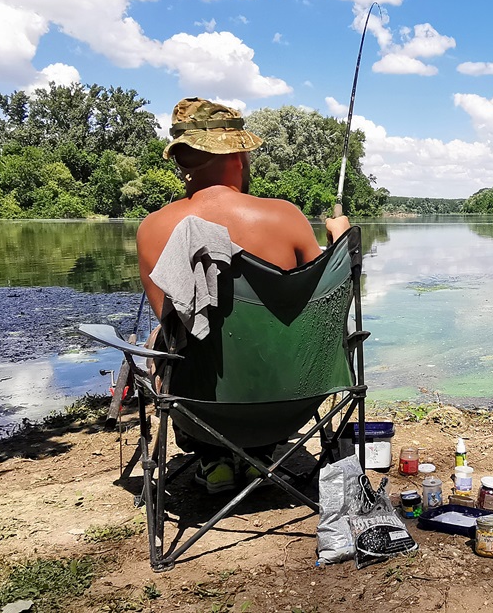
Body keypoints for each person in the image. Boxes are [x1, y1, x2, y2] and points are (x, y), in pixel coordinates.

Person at [136, 97, 350, 492]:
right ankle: (260, 458)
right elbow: (319, 308)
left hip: (200, 410)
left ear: (182, 162)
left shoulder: (152, 228)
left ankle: (214, 459)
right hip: (291, 403)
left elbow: (176, 327)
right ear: (238, 156)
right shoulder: (284, 216)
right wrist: (340, 244)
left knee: (160, 343)